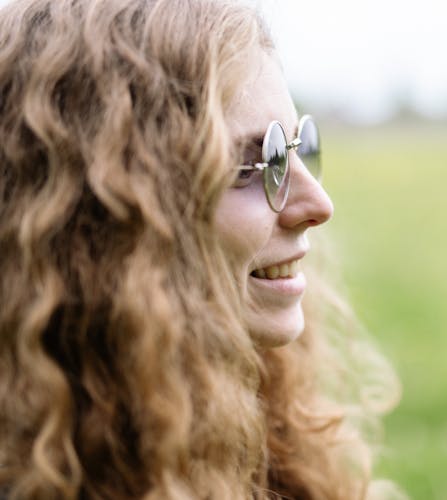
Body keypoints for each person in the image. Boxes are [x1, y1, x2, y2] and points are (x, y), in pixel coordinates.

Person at [0, 0, 400, 498]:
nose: (318, 204)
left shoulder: (262, 433)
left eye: (294, 148)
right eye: (246, 165)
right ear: (100, 219)